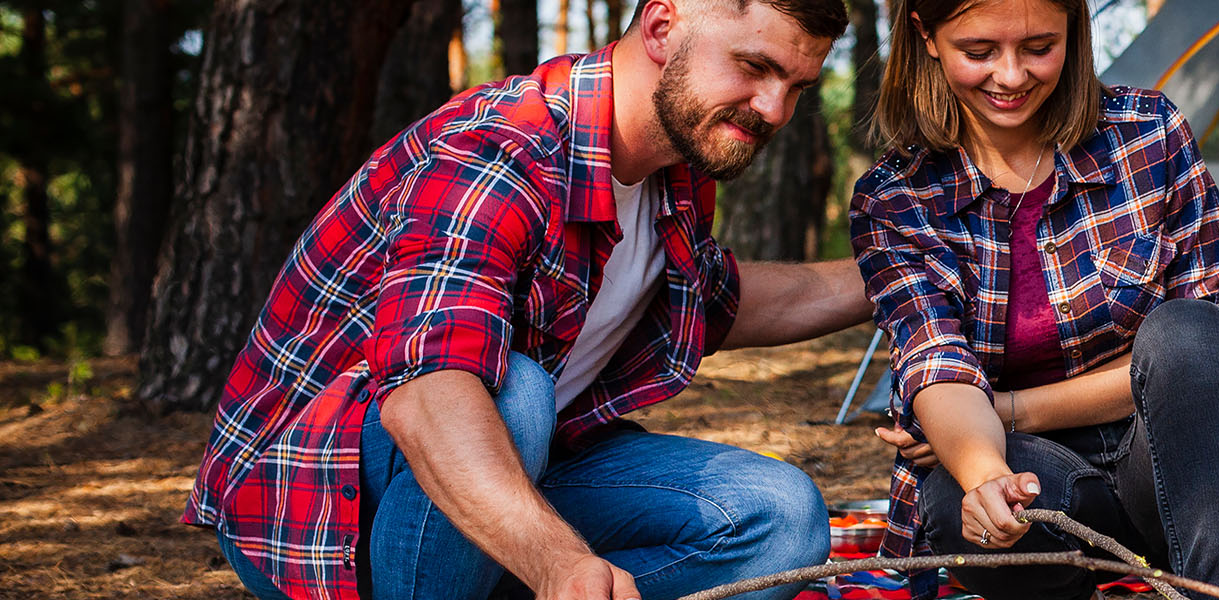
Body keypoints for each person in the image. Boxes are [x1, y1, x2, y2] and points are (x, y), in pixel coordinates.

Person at [179, 2, 868, 600]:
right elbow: (429, 392)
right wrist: (558, 560)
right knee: (515, 393)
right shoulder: (498, 151)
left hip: (516, 470)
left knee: (781, 517)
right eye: (755, 67)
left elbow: (719, 300)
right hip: (317, 506)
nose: (775, 109)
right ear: (661, 26)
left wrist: (903, 273)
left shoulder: (672, 171)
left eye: (797, 85)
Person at [847, 0, 1219, 597]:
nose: (1010, 77)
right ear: (925, 34)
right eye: (978, 52)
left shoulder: (1149, 134)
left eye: (1038, 48)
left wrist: (1006, 407)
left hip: (1189, 466)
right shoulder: (894, 197)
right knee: (955, 493)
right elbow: (936, 364)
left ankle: (1217, 592)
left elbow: (1206, 356)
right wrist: (988, 477)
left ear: (1075, 30)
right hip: (1042, 480)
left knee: (1189, 329)